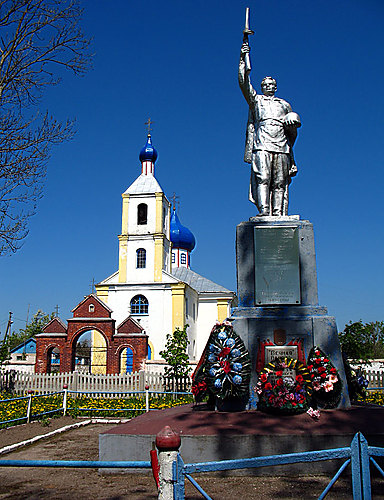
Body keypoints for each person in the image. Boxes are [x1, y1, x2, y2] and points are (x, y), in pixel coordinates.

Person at [239, 42, 301, 216]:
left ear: (276, 87)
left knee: (280, 182)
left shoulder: (284, 105)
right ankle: (265, 212)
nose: (269, 87)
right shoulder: (256, 101)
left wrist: (293, 159)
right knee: (263, 178)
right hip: (262, 144)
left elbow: (291, 135)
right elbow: (243, 83)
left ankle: (278, 212)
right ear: (261, 87)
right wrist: (243, 58)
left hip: (281, 145)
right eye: (265, 84)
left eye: (271, 84)